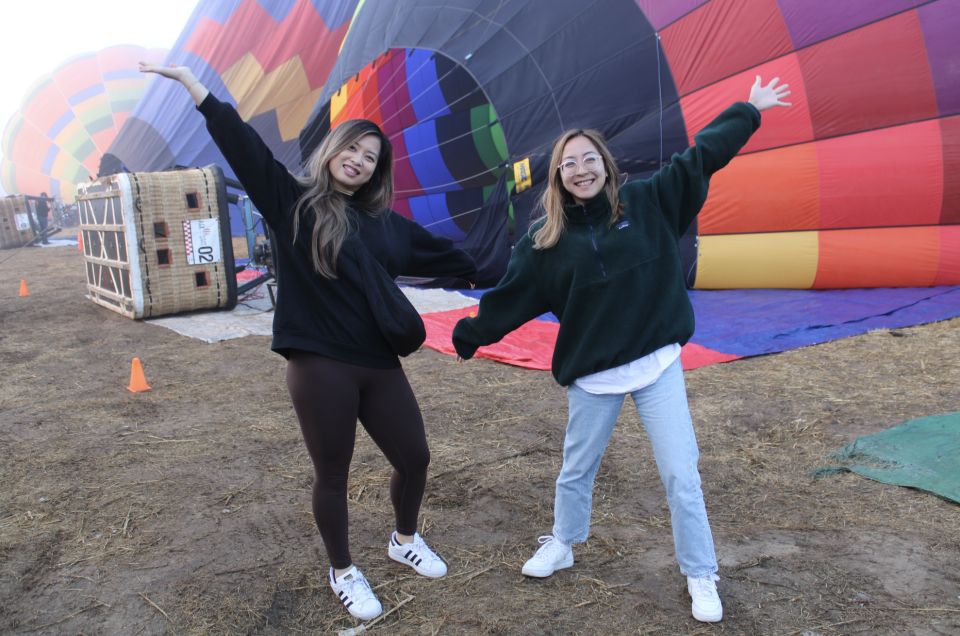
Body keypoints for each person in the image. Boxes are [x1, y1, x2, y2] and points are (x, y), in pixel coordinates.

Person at [140, 62, 477, 622]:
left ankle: (403, 538)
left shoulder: (386, 225)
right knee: (334, 472)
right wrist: (197, 90)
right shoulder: (292, 202)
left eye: (371, 158)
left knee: (415, 457)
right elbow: (244, 146)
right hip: (319, 362)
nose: (359, 161)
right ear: (332, 150)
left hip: (377, 361)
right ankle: (343, 570)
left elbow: (450, 257)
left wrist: (521, 263)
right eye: (353, 149)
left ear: (376, 171)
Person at [452, 76, 791, 623]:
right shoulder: (544, 241)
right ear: (558, 177)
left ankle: (700, 573)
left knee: (682, 474)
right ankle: (562, 543)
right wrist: (467, 336)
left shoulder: (650, 201)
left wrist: (748, 110)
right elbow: (508, 301)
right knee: (575, 471)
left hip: (656, 366)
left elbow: (701, 157)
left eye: (589, 159)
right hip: (595, 376)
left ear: (606, 165)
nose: (581, 170)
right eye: (569, 164)